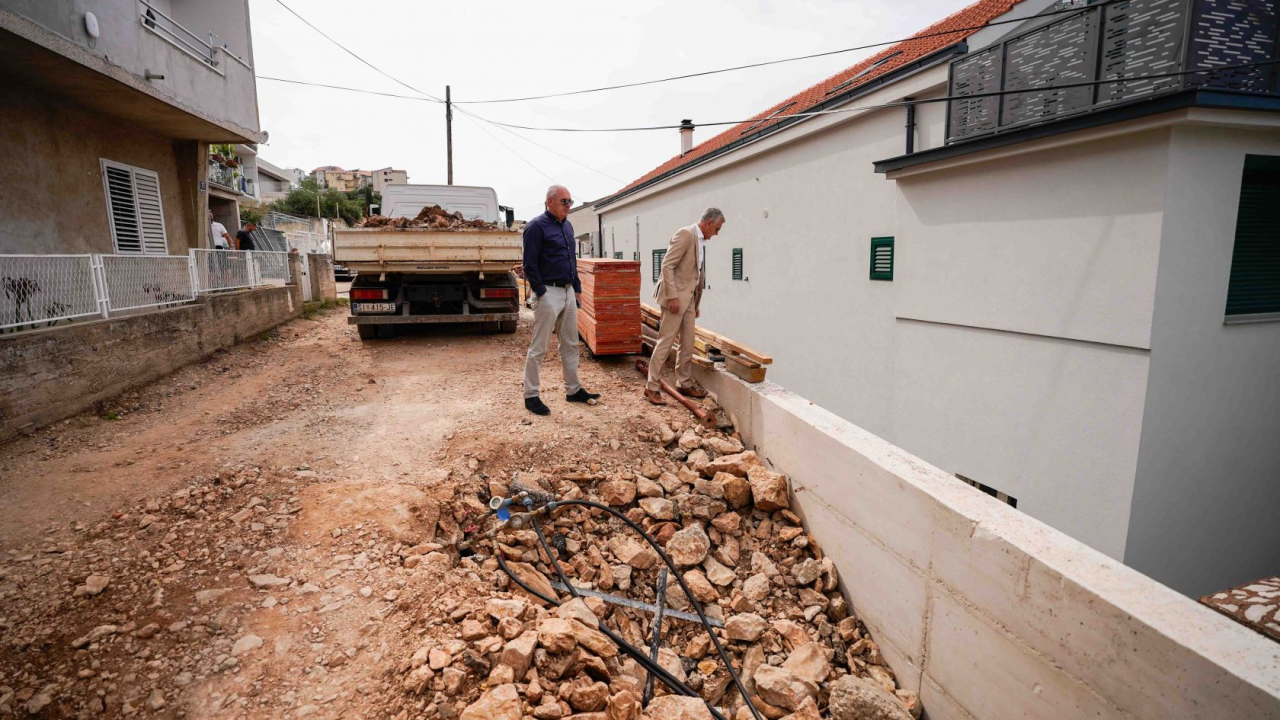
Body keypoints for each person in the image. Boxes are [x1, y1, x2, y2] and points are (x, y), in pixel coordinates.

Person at [522, 185, 600, 416]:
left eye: (570, 202)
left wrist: (576, 288)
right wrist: (542, 293)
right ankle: (531, 395)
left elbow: (571, 259)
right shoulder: (536, 227)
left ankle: (573, 389)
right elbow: (529, 264)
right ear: (550, 202)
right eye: (565, 201)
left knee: (570, 343)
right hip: (548, 292)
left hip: (567, 292)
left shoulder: (567, 226)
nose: (569, 206)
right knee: (539, 346)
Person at [644, 208, 726, 405]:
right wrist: (672, 297)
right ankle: (651, 387)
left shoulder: (701, 241)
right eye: (717, 228)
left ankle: (684, 382)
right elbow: (667, 266)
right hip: (675, 299)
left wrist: (695, 304)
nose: (717, 233)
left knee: (688, 342)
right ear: (708, 223)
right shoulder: (685, 235)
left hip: (688, 300)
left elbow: (696, 274)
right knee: (665, 342)